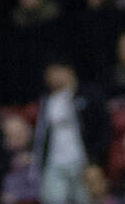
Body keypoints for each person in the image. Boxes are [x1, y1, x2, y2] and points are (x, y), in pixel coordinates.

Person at [33, 56, 110, 204]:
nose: (51, 77)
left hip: (82, 161)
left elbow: (102, 129)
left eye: (55, 71)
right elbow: (42, 136)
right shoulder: (48, 101)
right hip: (55, 163)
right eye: (48, 74)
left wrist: (96, 161)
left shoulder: (88, 95)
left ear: (68, 71)